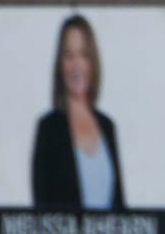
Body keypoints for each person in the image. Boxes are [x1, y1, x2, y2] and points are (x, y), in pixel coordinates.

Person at [31, 14, 126, 210]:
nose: (77, 65)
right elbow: (41, 211)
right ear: (60, 64)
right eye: (69, 56)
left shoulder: (107, 126)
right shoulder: (48, 128)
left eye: (84, 55)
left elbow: (121, 209)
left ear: (93, 62)